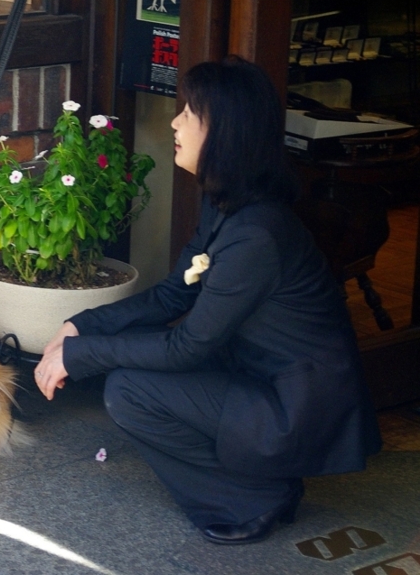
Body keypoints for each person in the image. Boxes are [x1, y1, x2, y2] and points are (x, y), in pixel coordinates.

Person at [34, 56, 381, 545]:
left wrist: (81, 356)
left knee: (130, 391)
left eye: (189, 114)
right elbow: (176, 291)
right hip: (256, 378)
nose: (175, 122)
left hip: (296, 410)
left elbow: (188, 348)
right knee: (129, 383)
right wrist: (82, 326)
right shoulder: (228, 202)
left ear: (225, 131)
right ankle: (259, 484)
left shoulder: (258, 233)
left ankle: (256, 496)